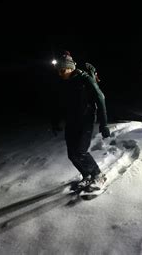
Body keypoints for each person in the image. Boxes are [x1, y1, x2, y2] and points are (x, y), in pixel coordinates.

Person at [52, 52, 111, 190]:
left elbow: (101, 99)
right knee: (72, 154)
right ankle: (87, 175)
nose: (60, 74)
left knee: (80, 151)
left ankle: (98, 175)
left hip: (86, 121)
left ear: (70, 68)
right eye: (58, 72)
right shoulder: (65, 83)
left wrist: (104, 124)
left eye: (62, 70)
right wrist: (57, 121)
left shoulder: (85, 79)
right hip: (71, 122)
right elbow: (61, 104)